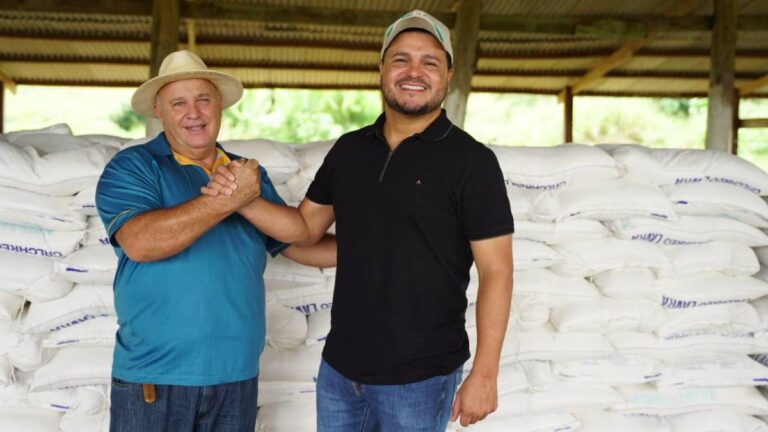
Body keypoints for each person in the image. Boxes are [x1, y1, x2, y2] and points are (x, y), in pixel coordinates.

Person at [205, 9, 514, 430]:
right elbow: (305, 229)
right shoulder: (350, 151)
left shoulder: (472, 162)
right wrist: (241, 201)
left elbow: (496, 271)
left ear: (449, 74)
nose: (414, 72)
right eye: (401, 58)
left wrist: (485, 374)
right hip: (340, 371)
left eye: (430, 62)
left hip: (420, 377)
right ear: (382, 67)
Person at [95, 49, 335, 432]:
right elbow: (141, 242)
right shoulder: (135, 166)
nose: (194, 112)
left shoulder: (244, 174)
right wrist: (228, 199)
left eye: (203, 99)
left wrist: (385, 243)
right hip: (155, 377)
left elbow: (295, 242)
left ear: (219, 104)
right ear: (159, 110)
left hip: (235, 376)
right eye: (179, 103)